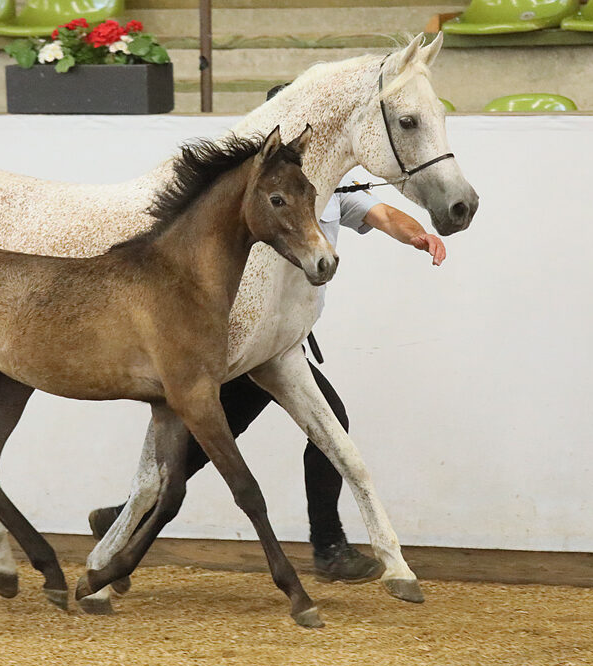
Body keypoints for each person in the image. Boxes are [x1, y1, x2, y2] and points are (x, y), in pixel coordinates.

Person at [89, 86, 447, 583]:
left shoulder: (313, 192)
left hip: (279, 344)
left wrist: (419, 235)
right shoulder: (255, 193)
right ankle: (326, 548)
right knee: (220, 436)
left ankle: (122, 518)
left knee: (225, 435)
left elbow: (380, 213)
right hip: (244, 342)